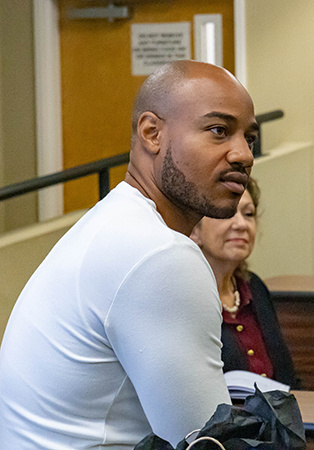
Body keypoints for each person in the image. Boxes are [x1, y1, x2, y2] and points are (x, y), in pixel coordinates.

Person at [0, 60, 259, 448]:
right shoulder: (159, 255)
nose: (243, 155)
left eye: (249, 138)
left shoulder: (114, 222)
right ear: (151, 133)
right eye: (219, 131)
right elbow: (207, 442)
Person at [190, 177, 300, 389]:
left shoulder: (254, 287)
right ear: (194, 230)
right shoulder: (186, 298)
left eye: (248, 214)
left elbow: (286, 376)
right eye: (226, 213)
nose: (241, 224)